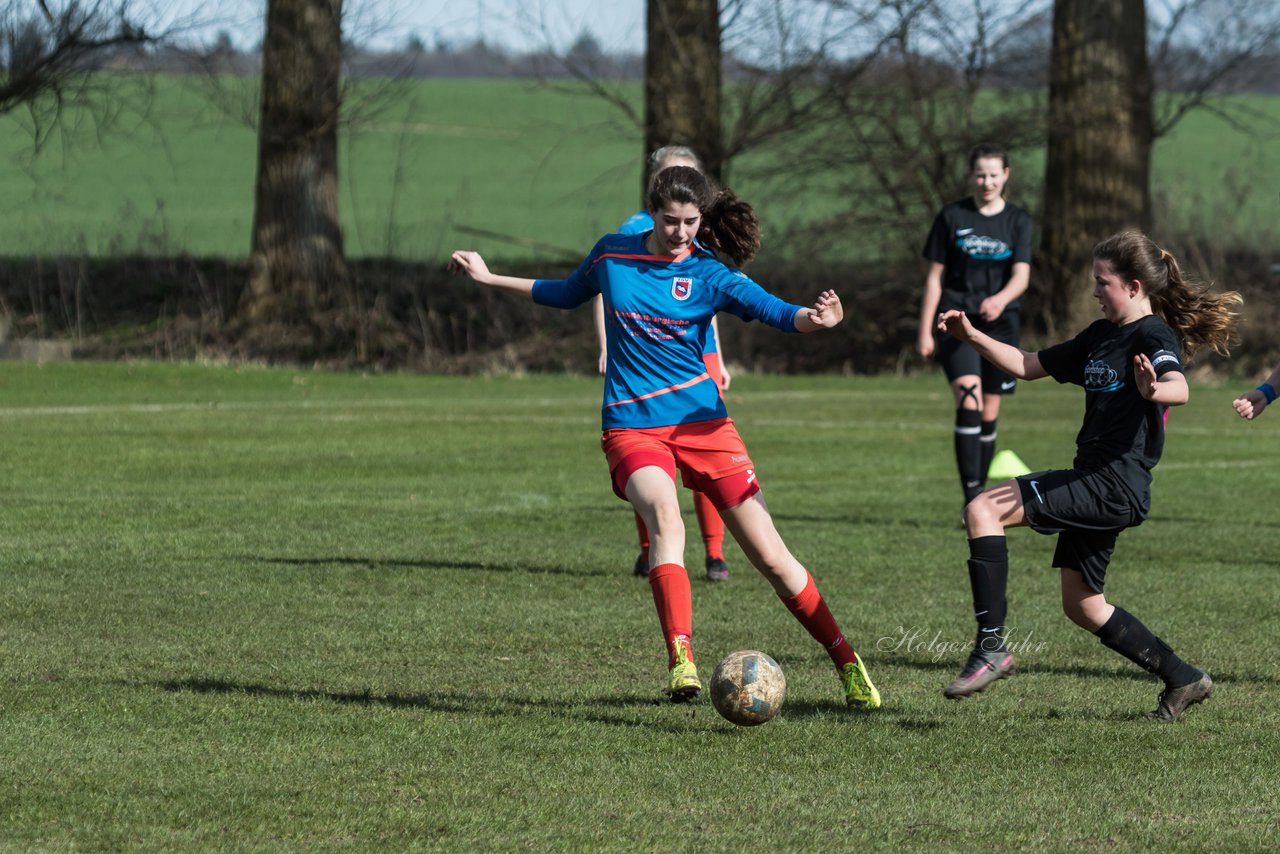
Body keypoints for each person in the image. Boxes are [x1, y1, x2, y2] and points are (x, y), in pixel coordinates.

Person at [451, 165, 881, 709]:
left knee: (773, 559)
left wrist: (817, 321)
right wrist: (491, 278)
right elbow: (564, 292)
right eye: (672, 221)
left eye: (691, 222)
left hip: (705, 426)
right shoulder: (613, 255)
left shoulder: (709, 272)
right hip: (632, 425)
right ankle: (682, 660)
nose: (681, 233)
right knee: (665, 517)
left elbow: (775, 311)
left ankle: (849, 664)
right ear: (651, 212)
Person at [935, 231, 1240, 721]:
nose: (1095, 290)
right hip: (1097, 480)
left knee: (982, 507)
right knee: (1083, 605)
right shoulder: (1100, 336)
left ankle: (991, 646)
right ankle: (1183, 678)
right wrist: (971, 336)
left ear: (1135, 286)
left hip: (1113, 484)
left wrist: (1152, 388)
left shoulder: (1152, 335)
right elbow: (1027, 364)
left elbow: (1179, 388)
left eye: (1103, 282)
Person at [596, 145, 732, 582]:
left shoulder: (699, 227)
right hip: (646, 356)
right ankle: (651, 546)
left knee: (709, 461)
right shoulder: (635, 230)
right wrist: (605, 343)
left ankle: (715, 554)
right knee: (650, 462)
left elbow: (714, 297)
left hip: (698, 357)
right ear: (656, 185)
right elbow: (602, 286)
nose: (680, 229)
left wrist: (720, 356)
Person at [918, 143, 1033, 507]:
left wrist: (1001, 299)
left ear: (1006, 176)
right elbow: (935, 278)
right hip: (956, 322)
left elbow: (1022, 275)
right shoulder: (952, 216)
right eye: (980, 174)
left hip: (1001, 328)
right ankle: (971, 497)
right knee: (969, 400)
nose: (987, 181)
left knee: (988, 412)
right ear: (971, 175)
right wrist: (925, 331)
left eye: (994, 174)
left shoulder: (1018, 220)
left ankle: (981, 499)